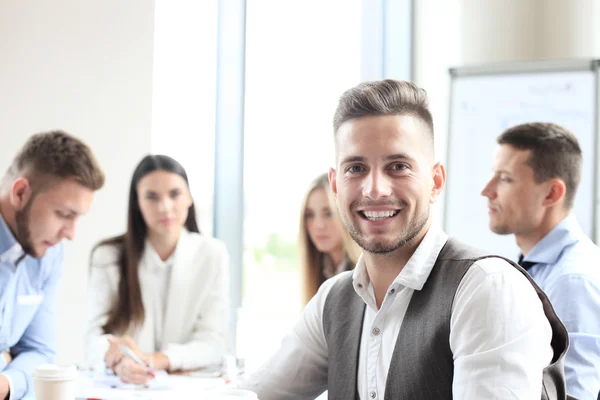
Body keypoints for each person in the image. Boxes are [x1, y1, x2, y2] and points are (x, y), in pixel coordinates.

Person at [240, 80, 570, 399]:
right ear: (336, 185)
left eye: (397, 166)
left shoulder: (487, 288)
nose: (375, 190)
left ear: (435, 181)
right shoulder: (334, 300)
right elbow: (253, 394)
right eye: (355, 168)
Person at [84, 154, 229, 384]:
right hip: (123, 387)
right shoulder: (108, 255)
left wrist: (157, 360)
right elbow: (93, 338)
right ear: (137, 203)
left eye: (174, 194)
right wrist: (118, 359)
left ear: (189, 197)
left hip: (185, 387)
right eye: (151, 197)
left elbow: (214, 342)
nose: (164, 207)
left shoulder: (212, 254)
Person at [481, 122, 600, 399]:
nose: (487, 190)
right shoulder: (537, 267)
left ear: (551, 193)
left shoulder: (571, 281)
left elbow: (573, 395)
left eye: (505, 178)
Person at [0, 130, 104, 399]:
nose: (70, 234)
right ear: (20, 193)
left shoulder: (48, 253)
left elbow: (40, 353)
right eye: (63, 214)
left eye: (77, 218)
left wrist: (7, 381)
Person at [298, 173, 360, 306]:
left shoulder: (362, 277)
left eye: (329, 213)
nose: (318, 225)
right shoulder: (319, 272)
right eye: (310, 215)